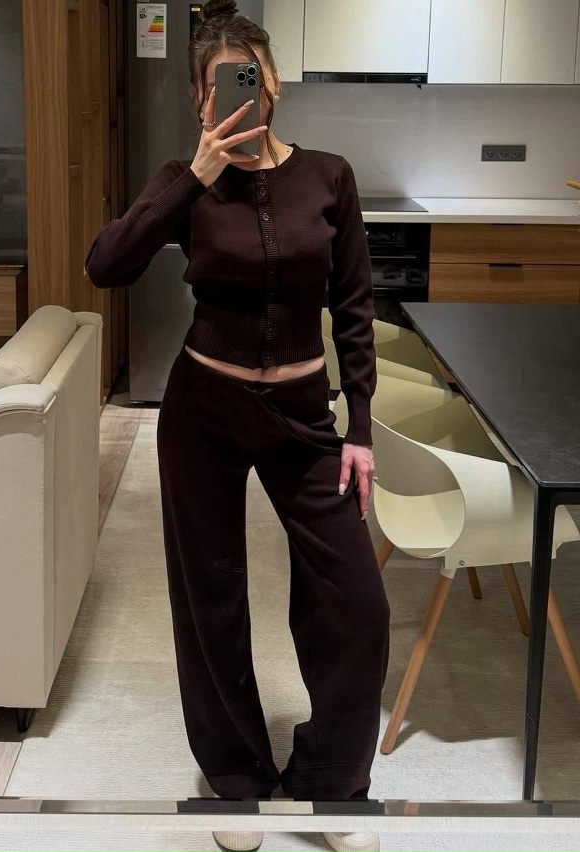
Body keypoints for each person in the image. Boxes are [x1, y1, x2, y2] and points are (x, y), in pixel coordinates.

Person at [85, 1, 390, 850]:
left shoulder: (329, 177)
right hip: (205, 412)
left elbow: (354, 306)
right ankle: (237, 782)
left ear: (275, 83)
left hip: (304, 415)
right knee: (210, 599)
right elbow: (106, 265)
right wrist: (193, 174)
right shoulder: (187, 183)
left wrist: (360, 427)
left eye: (248, 78)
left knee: (354, 605)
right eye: (217, 86)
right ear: (199, 100)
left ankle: (334, 787)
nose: (236, 96)